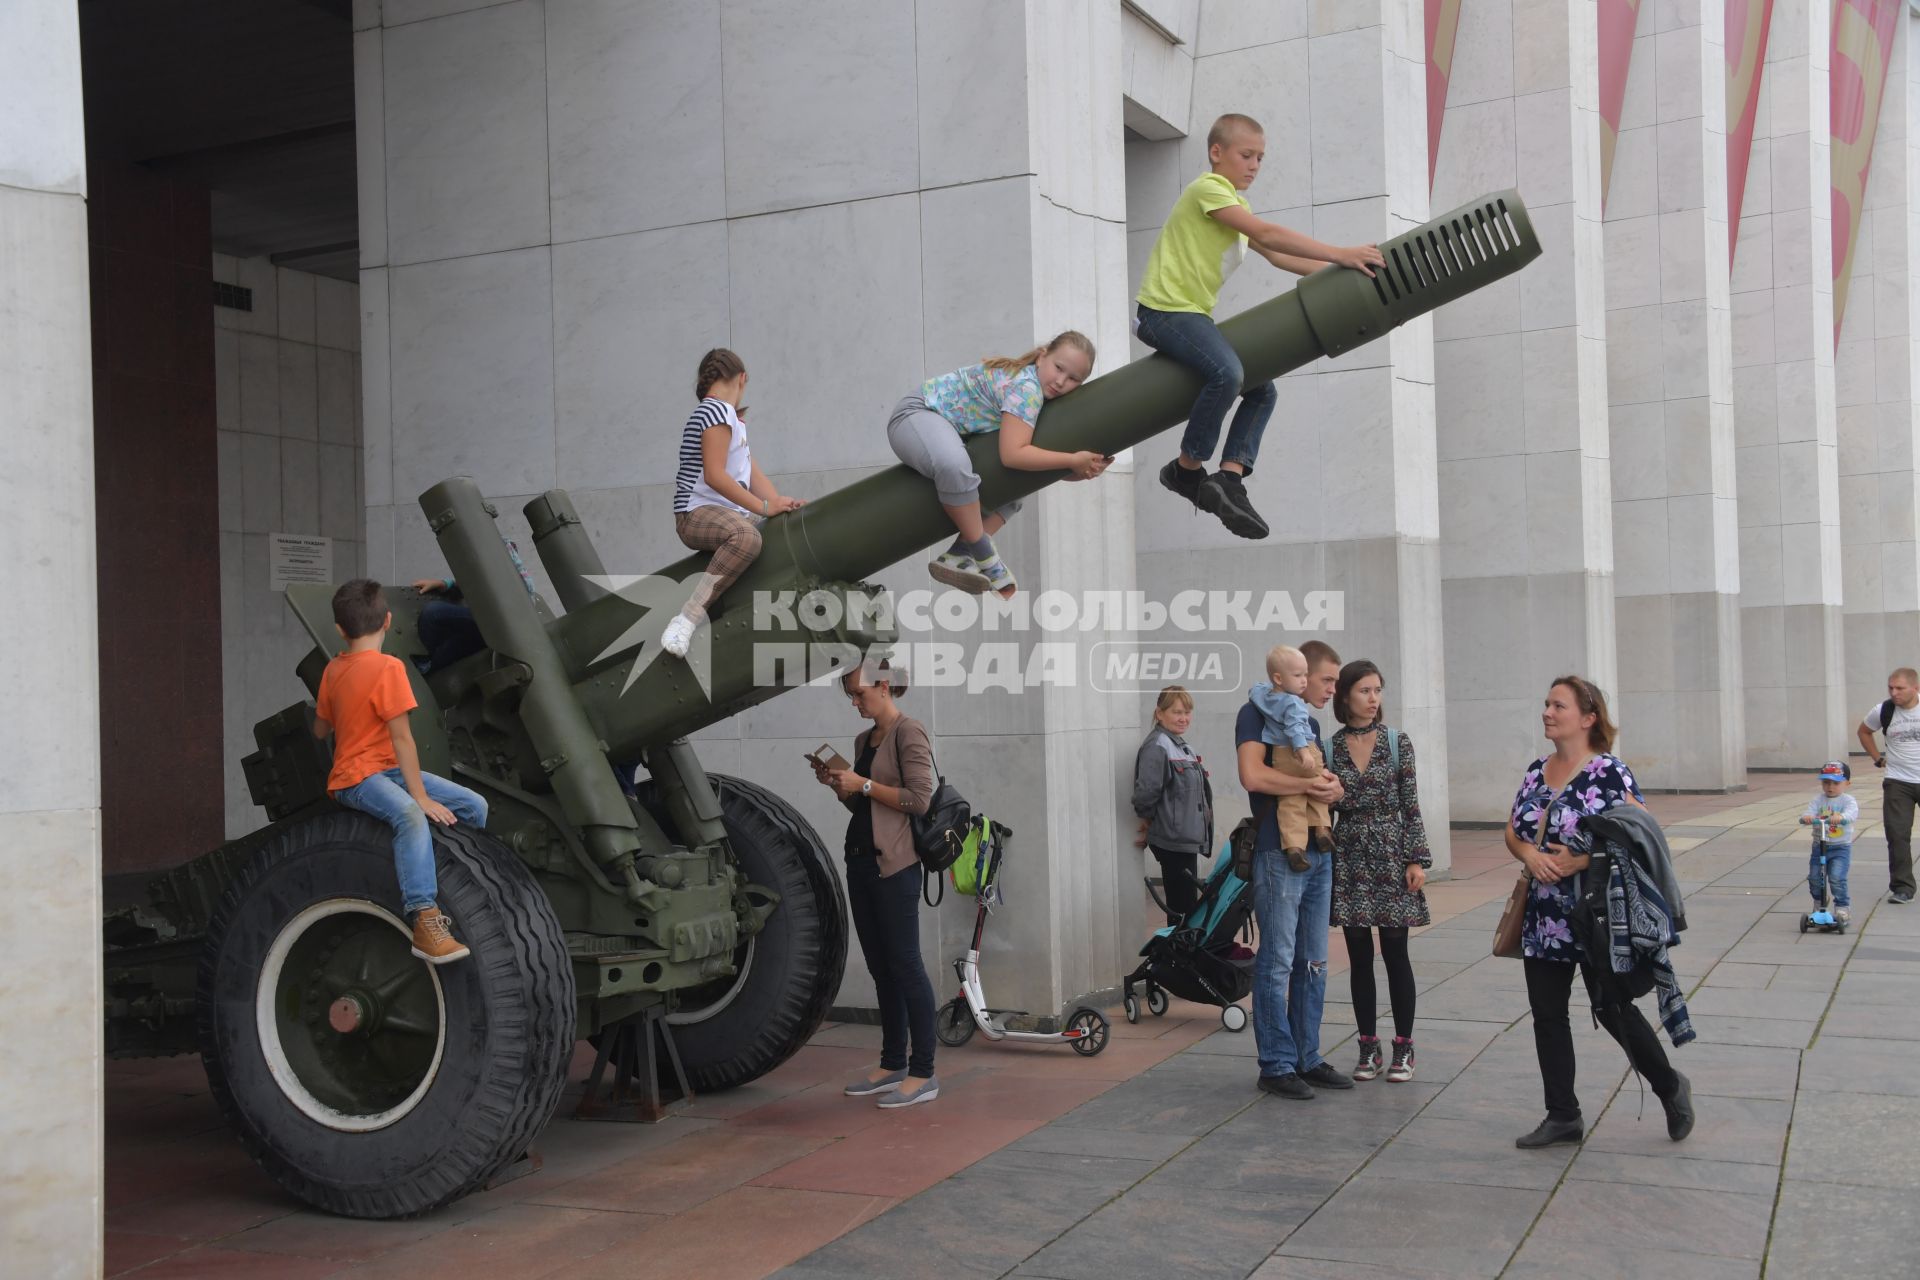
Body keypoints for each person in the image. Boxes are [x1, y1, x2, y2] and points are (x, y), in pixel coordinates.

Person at [1135, 112, 1385, 540]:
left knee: (1262, 388)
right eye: (1246, 154)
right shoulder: (1208, 190)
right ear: (1217, 152)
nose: (1254, 165)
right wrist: (1339, 253)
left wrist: (1339, 277)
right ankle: (1186, 469)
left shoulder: (1233, 205)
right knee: (1227, 373)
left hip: (1192, 314)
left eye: (1261, 159)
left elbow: (1279, 257)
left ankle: (1229, 478)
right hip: (1163, 314)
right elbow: (1268, 236)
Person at [1506, 676, 1692, 1149]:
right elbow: (1513, 831)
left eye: (1558, 705)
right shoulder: (1535, 771)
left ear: (1588, 718)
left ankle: (1670, 1085)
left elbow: (1641, 838)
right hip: (1544, 916)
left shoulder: (1611, 773)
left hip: (1596, 914)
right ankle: (1563, 1115)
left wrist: (1581, 859)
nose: (1547, 712)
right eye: (1546, 704)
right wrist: (1528, 856)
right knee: (1547, 1014)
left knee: (1612, 1008)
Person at [312, 578, 490, 963]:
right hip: (354, 779)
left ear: (341, 630)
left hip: (386, 772)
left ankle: (465, 891)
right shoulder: (389, 668)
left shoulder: (332, 671)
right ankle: (424, 919)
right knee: (411, 815)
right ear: (388, 620)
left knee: (474, 805)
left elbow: (320, 729)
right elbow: (404, 740)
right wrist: (421, 797)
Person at [889, 331, 1102, 596]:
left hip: (952, 432)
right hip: (918, 415)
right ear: (1042, 355)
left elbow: (1032, 464)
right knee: (953, 464)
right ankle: (981, 551)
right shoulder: (1026, 389)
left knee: (1015, 487)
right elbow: (1013, 455)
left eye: (1073, 379)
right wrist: (1071, 459)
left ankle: (960, 554)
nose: (1060, 381)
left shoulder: (1038, 393)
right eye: (1059, 368)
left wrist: (1077, 469)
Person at [818, 659, 940, 1108]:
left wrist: (863, 784)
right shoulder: (862, 738)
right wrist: (840, 787)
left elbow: (920, 800)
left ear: (884, 686)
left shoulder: (910, 731)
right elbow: (866, 809)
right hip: (861, 862)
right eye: (850, 696)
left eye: (859, 693)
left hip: (897, 865)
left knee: (906, 965)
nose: (855, 702)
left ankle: (924, 1071)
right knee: (880, 968)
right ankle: (893, 1063)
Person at [1238, 638, 1351, 1100]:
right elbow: (1253, 776)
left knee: (1314, 962)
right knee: (1279, 960)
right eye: (1326, 680)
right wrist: (1310, 784)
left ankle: (1307, 1056)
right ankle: (1277, 1064)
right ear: (1296, 676)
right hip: (1275, 851)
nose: (1330, 689)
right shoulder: (1254, 712)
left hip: (1318, 852)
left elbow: (1319, 777)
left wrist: (1334, 788)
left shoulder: (1312, 722)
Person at [664, 348, 804, 658]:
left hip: (723, 513)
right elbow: (714, 476)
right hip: (695, 513)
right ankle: (687, 617)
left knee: (757, 531)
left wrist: (780, 504)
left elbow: (752, 476)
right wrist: (764, 508)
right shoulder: (715, 412)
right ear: (742, 379)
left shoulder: (732, 421)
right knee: (745, 537)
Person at [1329, 660, 1430, 1084]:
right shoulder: (1331, 745)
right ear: (1346, 696)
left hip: (1392, 851)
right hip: (1350, 851)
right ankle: (1367, 1046)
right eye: (1365, 691)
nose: (1373, 699)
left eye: (1377, 690)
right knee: (1358, 957)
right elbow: (1325, 803)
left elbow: (1411, 801)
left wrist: (1416, 859)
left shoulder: (1396, 741)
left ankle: (1404, 1048)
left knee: (1395, 951)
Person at [1132, 685, 1214, 925]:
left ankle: (1180, 959)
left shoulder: (1179, 745)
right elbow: (1146, 793)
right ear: (1159, 713)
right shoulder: (1157, 746)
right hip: (1173, 842)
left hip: (1185, 842)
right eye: (1177, 712)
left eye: (1187, 713)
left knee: (1186, 911)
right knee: (1181, 912)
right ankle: (1176, 961)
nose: (1184, 718)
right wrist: (1148, 821)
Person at [1248, 645, 1333, 871]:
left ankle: (1294, 846)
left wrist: (1269, 686)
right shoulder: (1293, 703)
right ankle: (1322, 829)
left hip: (1279, 755)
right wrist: (1303, 751)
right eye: (1298, 676)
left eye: (1305, 675)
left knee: (1289, 801)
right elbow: (1295, 727)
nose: (1304, 681)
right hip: (1299, 749)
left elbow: (1256, 689)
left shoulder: (1261, 698)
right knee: (1319, 786)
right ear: (1279, 677)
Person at [1856, 667, 1920, 904]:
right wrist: (1877, 758)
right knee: (1897, 834)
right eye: (1891, 687)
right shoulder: (1884, 710)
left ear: (1916, 688)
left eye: (1900, 688)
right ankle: (1902, 887)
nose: (1894, 693)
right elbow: (1864, 732)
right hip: (1897, 781)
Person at [1800, 761, 1857, 923]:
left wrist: (1842, 817)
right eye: (1826, 782)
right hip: (1819, 846)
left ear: (1847, 783)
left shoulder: (1848, 801)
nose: (1830, 787)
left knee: (1837, 877)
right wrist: (1807, 817)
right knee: (1814, 877)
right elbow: (1809, 812)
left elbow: (1851, 815)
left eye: (1836, 783)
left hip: (1840, 847)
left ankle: (1842, 908)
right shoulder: (1818, 800)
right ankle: (1819, 903)